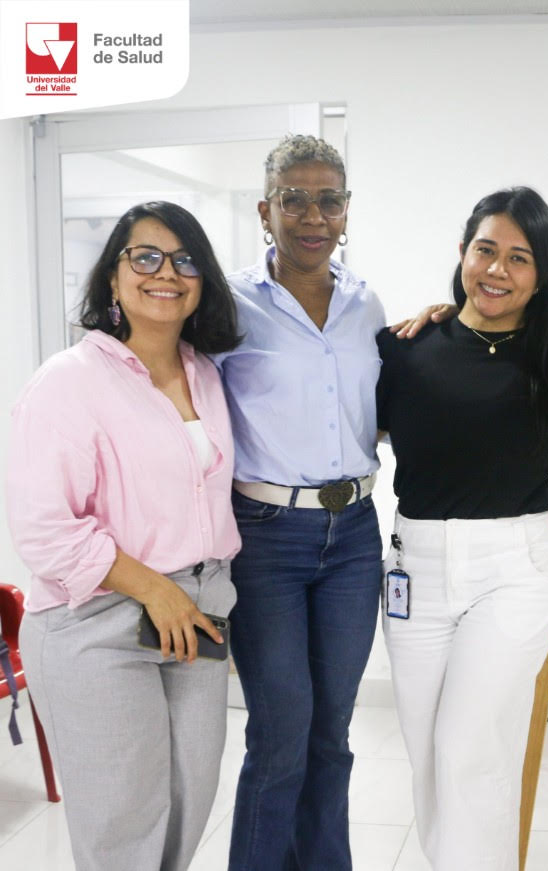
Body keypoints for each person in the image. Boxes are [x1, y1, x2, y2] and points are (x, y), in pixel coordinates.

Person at [376, 186, 548, 871]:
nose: (497, 269)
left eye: (520, 258)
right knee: (429, 755)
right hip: (415, 571)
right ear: (462, 252)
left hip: (514, 572)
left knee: (470, 749)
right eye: (485, 250)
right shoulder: (404, 349)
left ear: (541, 275)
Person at [8, 201, 241, 870]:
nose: (166, 272)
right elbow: (44, 527)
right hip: (97, 622)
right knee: (124, 830)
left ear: (202, 280)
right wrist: (154, 590)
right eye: (145, 257)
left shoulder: (205, 373)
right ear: (113, 276)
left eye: (185, 260)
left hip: (197, 614)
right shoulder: (68, 381)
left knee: (186, 809)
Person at [215, 135, 385, 871]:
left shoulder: (365, 302)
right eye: (295, 200)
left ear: (346, 210)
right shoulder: (228, 304)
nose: (313, 216)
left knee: (332, 734)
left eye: (329, 200)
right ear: (266, 210)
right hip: (266, 536)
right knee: (280, 735)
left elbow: (380, 401)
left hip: (354, 535)